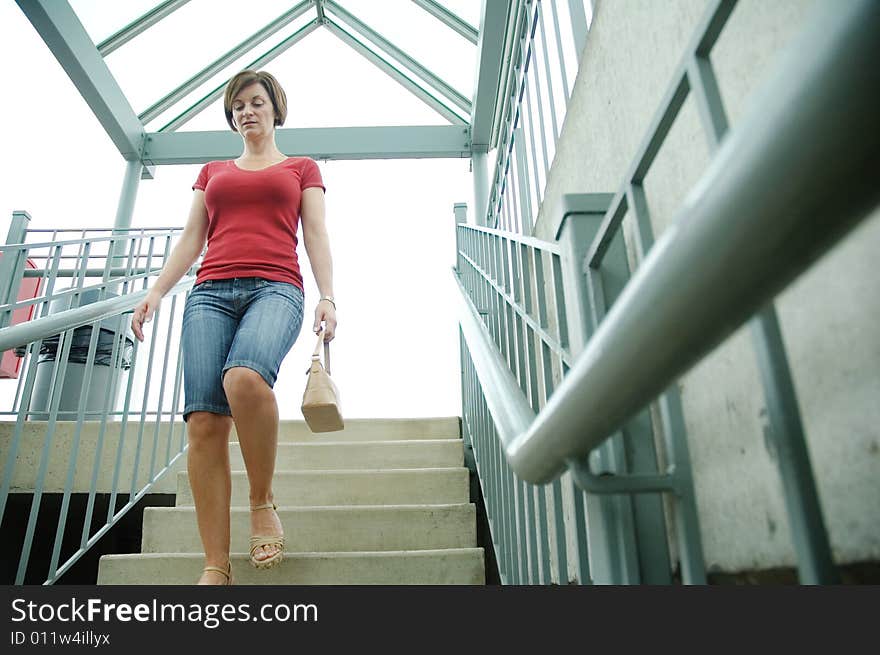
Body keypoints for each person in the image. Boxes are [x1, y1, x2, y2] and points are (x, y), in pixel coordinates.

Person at [131, 69, 337, 585]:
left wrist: (327, 296)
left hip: (277, 288)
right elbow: (190, 238)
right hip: (209, 294)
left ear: (275, 108)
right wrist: (156, 290)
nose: (246, 111)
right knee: (204, 424)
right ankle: (216, 567)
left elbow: (315, 233)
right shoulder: (213, 171)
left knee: (244, 378)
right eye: (237, 106)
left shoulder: (301, 169)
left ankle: (262, 499)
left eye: (255, 102)